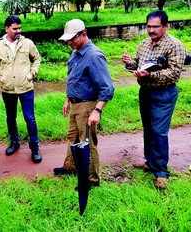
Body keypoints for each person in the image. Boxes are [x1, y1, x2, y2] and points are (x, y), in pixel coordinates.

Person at [122, 10, 186, 189]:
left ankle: (161, 172)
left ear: (165, 26)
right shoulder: (143, 44)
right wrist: (130, 64)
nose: (151, 30)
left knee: (159, 131)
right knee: (148, 128)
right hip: (146, 92)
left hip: (164, 93)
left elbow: (174, 73)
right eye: (148, 26)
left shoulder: (175, 45)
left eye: (155, 27)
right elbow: (138, 64)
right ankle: (150, 162)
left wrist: (150, 75)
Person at [53, 19, 114, 187]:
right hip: (75, 104)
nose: (69, 43)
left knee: (87, 142)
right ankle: (71, 166)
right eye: (68, 40)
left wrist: (97, 111)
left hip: (88, 105)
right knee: (72, 137)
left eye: (72, 39)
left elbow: (107, 88)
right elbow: (73, 78)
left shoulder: (94, 56)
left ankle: (92, 179)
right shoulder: (76, 52)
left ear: (84, 34)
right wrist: (68, 98)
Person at [0, 15, 42, 163]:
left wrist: (32, 73)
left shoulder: (27, 43)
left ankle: (35, 147)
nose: (18, 31)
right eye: (15, 28)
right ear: (7, 28)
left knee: (30, 118)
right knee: (11, 117)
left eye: (20, 28)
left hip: (26, 87)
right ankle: (14, 143)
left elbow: (37, 59)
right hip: (8, 89)